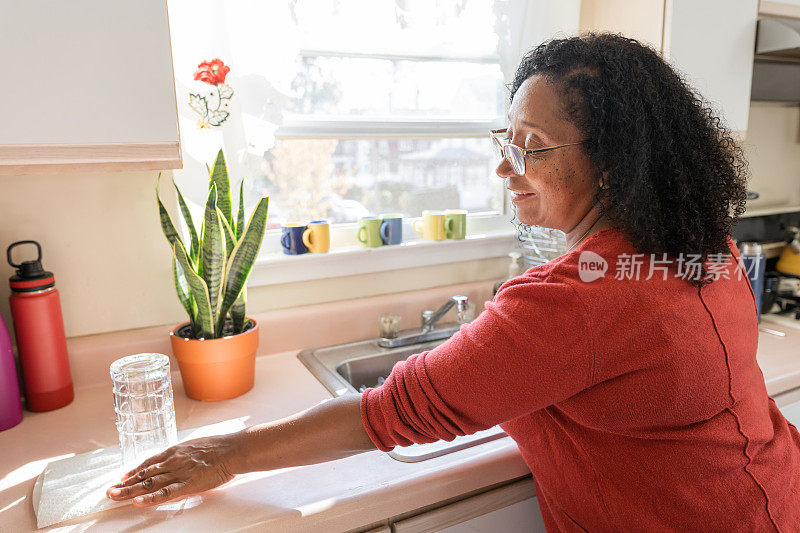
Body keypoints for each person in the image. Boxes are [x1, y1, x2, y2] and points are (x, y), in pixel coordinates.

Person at [107, 34, 800, 530]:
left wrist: (226, 452)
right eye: (506, 140)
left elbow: (389, 412)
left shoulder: (574, 303)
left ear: (614, 165)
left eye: (529, 148)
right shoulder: (700, 242)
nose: (505, 169)